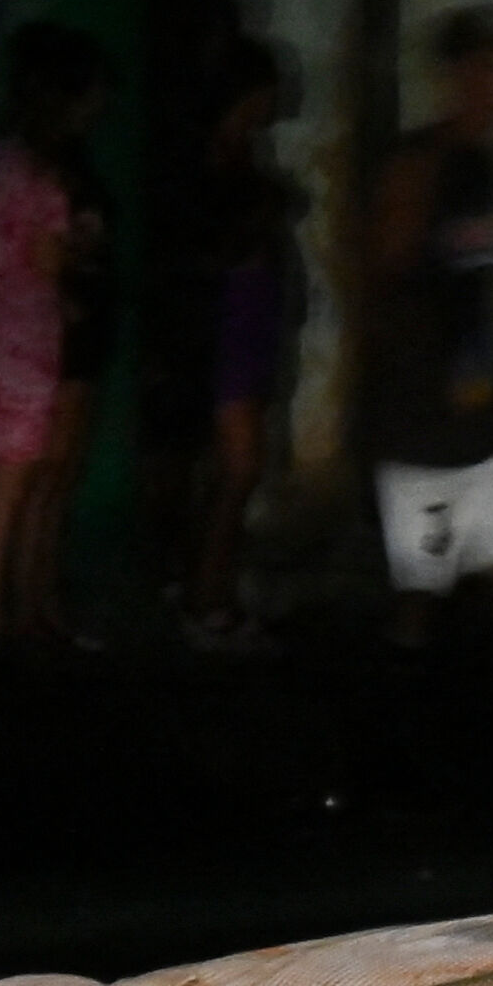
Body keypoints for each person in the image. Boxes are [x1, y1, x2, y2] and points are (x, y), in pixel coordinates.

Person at [354, 7, 493, 642]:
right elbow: (385, 273)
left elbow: (485, 286)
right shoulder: (421, 165)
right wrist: (421, 375)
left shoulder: (487, 166)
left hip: (474, 407)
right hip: (420, 413)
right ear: (459, 75)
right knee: (421, 588)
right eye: (490, 68)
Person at [0, 20, 112, 652]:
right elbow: (45, 260)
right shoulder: (40, 176)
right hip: (21, 334)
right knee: (18, 475)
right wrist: (80, 248)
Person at [161, 32, 299, 647]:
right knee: (238, 466)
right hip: (223, 322)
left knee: (235, 465)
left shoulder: (237, 152)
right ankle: (206, 598)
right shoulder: (204, 160)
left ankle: (207, 585)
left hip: (247, 316)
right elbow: (210, 241)